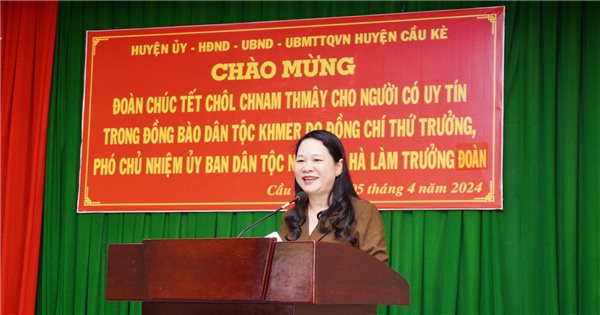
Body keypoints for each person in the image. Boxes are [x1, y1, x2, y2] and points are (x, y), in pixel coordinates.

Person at [279, 130, 389, 263]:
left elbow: (378, 273)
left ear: (338, 167)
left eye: (317, 160)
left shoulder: (362, 212)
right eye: (301, 160)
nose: (307, 168)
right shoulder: (291, 218)